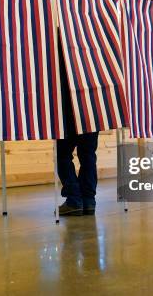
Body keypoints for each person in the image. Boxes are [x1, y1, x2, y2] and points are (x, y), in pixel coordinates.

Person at [56, 37, 100, 216]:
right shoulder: (92, 43)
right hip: (91, 109)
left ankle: (74, 199)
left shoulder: (57, 41)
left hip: (67, 110)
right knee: (88, 154)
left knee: (63, 155)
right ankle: (89, 200)